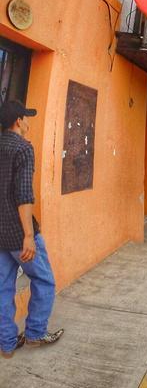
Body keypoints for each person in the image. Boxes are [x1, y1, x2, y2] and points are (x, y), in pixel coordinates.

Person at [0, 100, 63, 358]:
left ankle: (7, 342)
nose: (28, 123)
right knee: (44, 280)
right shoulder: (23, 148)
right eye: (26, 118)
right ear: (18, 121)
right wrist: (28, 235)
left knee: (3, 286)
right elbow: (24, 195)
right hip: (17, 232)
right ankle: (36, 333)